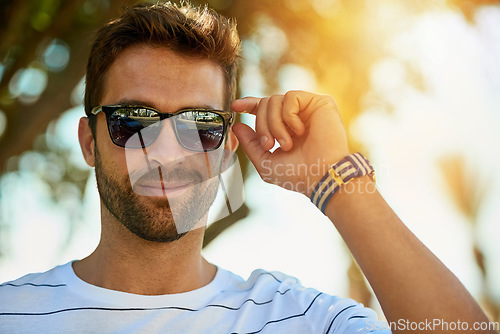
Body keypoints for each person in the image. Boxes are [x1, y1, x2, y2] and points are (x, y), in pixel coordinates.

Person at [0, 2, 494, 333]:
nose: (167, 150)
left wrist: (334, 181)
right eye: (134, 120)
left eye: (201, 125)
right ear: (89, 142)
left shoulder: (299, 319)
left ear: (227, 148)